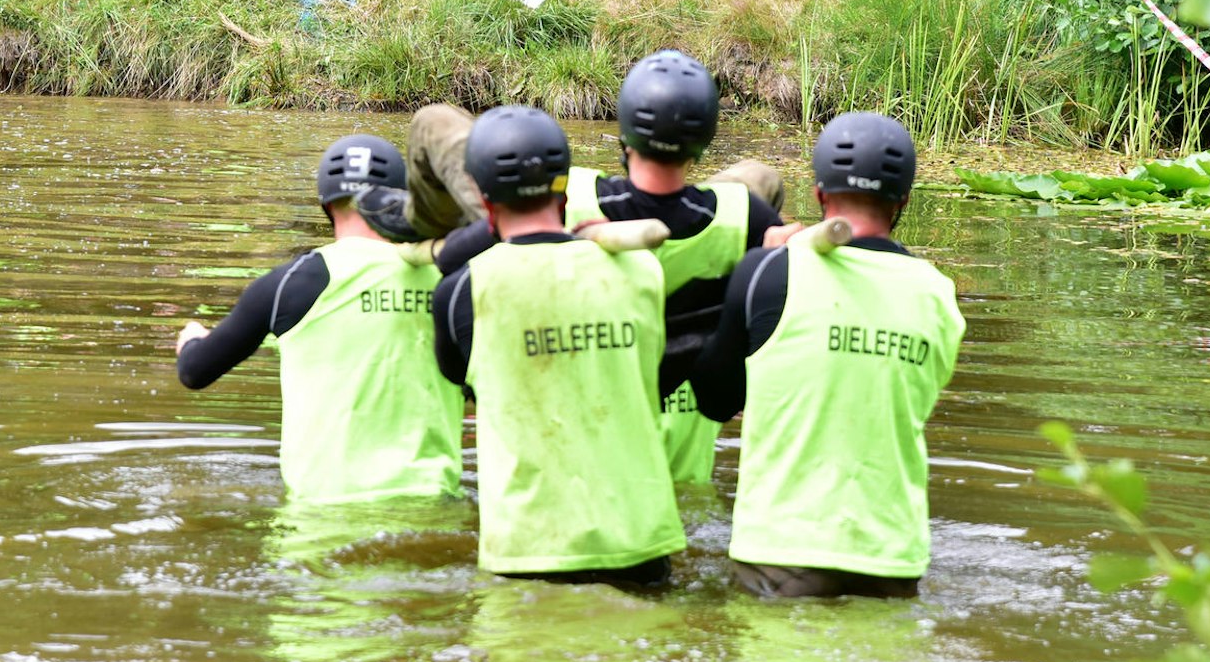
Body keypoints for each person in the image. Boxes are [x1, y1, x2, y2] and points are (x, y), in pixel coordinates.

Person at [366, 53, 783, 487]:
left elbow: (454, 260)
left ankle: (416, 219)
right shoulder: (745, 219)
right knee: (757, 175)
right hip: (671, 462)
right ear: (704, 138)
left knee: (436, 121)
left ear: (625, 132)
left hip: (577, 434)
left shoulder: (566, 200)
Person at [690, 112, 967, 600]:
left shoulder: (769, 273)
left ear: (819, 194)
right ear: (901, 202)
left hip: (780, 555)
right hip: (891, 559)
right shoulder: (937, 294)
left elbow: (713, 399)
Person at [430, 105, 686, 584]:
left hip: (529, 551)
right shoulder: (643, 272)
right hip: (641, 544)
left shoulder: (462, 292)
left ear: (485, 204)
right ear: (565, 193)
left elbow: (462, 380)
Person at [174, 135, 463, 504]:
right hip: (432, 502)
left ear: (326, 205)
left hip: (320, 511)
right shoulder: (450, 281)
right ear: (400, 199)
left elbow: (195, 371)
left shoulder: (290, 284)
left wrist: (191, 341)